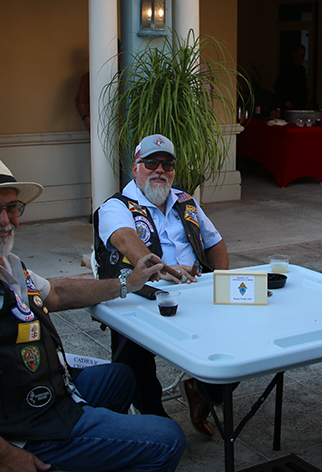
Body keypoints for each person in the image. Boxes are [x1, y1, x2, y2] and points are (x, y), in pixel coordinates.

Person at [0, 154, 185, 472]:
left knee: (121, 377)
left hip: (46, 395)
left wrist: (127, 283)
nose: (5, 220)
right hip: (25, 432)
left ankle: (90, 457)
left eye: (12, 207)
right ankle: (72, 449)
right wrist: (5, 457)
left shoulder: (2, 261)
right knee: (167, 439)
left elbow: (56, 293)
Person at [94, 134, 229, 439]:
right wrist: (159, 268)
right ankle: (156, 421)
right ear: (135, 168)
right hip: (142, 296)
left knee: (236, 333)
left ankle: (202, 390)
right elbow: (126, 240)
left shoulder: (186, 202)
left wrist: (222, 282)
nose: (160, 170)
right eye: (151, 163)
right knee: (133, 353)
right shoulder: (116, 206)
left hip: (195, 289)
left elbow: (215, 241)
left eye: (167, 164)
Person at [273, 43, 308, 110]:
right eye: (301, 54)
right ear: (294, 54)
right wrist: (285, 100)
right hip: (290, 104)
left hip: (300, 104)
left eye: (304, 54)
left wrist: (305, 101)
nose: (303, 57)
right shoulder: (287, 68)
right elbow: (278, 85)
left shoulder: (302, 70)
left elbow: (303, 88)